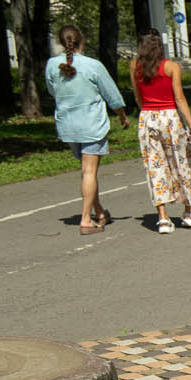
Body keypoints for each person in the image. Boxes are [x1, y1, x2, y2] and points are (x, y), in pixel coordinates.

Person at [44, 24, 128, 234]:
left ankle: (99, 211)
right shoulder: (93, 65)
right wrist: (122, 116)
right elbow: (112, 95)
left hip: (68, 125)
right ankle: (85, 220)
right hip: (91, 124)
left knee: (86, 172)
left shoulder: (52, 65)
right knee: (89, 172)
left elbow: (52, 90)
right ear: (82, 40)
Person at [128, 30, 191, 232]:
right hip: (169, 117)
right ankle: (189, 211)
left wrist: (147, 111)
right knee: (181, 162)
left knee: (154, 166)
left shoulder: (134, 66)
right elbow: (179, 98)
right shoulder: (171, 67)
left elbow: (137, 97)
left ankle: (163, 218)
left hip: (147, 118)